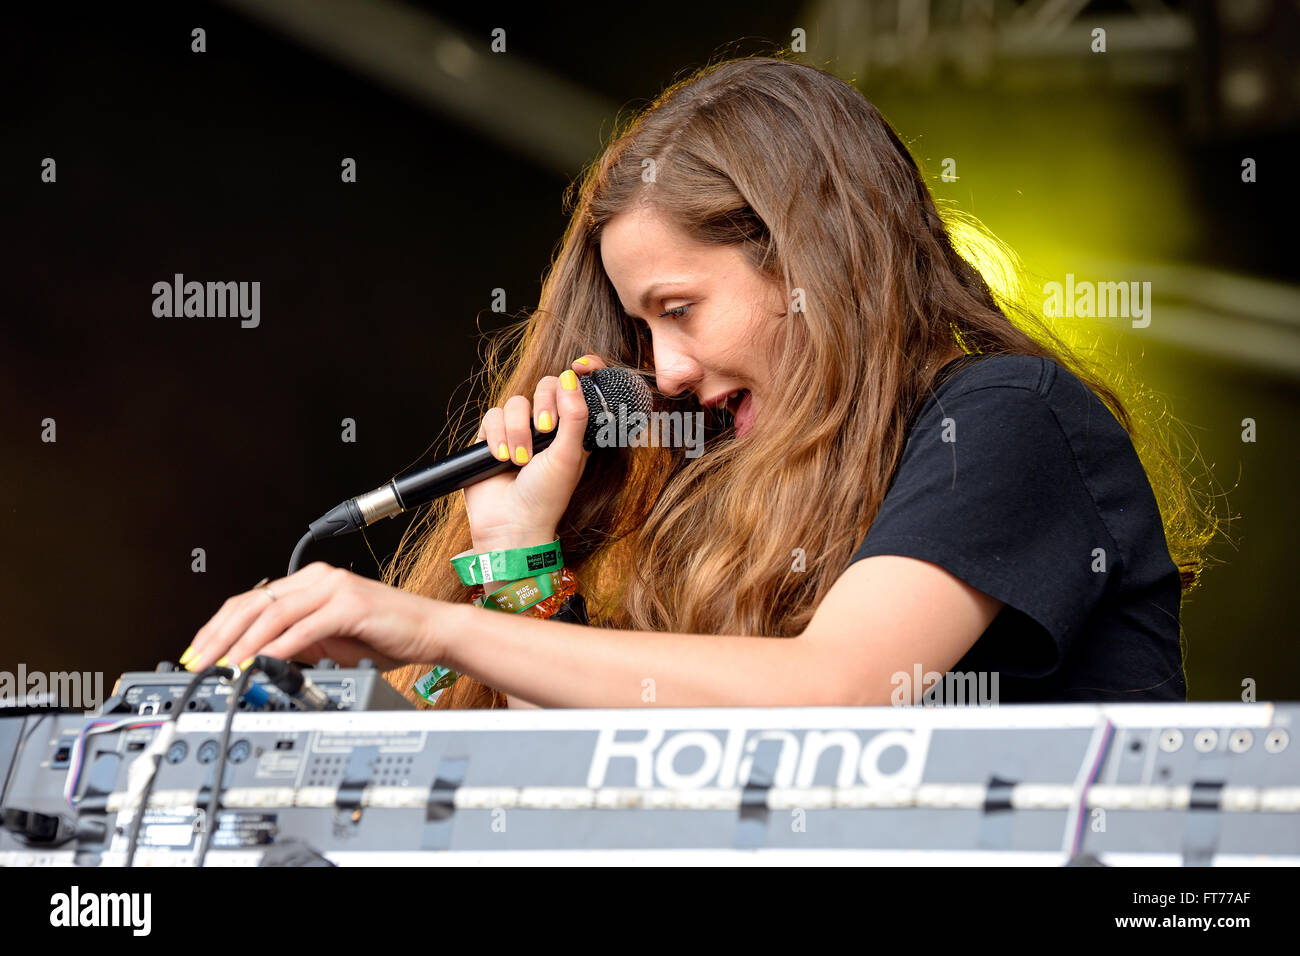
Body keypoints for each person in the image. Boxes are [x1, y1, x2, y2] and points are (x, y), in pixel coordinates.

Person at [178, 56, 1218, 708]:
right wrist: (515, 552)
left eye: (678, 308)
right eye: (639, 326)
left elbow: (833, 689)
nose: (664, 369)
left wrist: (432, 623)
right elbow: (617, 774)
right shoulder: (754, 473)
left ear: (816, 260)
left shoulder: (1005, 418)